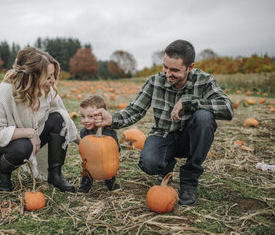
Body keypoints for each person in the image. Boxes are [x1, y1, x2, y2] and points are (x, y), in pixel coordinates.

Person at [94, 40, 233, 205]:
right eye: (165, 67)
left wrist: (188, 101)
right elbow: (135, 110)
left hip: (190, 137)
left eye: (174, 70)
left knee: (204, 117)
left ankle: (189, 181)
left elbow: (227, 108)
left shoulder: (204, 81)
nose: (168, 74)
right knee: (149, 163)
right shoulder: (154, 82)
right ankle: (166, 166)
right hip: (163, 134)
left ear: (190, 67)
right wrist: (112, 118)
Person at [0, 47, 78, 193]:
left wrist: (84, 144)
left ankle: (55, 175)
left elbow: (66, 120)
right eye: (48, 77)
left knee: (59, 117)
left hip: (30, 138)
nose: (53, 80)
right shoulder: (5, 91)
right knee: (22, 146)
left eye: (53, 75)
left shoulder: (48, 90)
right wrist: (29, 133)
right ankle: (3, 172)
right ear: (33, 77)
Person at [77, 95, 121, 193]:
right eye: (83, 117)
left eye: (90, 117)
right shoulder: (84, 132)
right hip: (91, 161)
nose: (86, 120)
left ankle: (110, 181)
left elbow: (116, 150)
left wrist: (115, 166)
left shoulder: (110, 131)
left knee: (109, 170)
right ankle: (86, 182)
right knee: (86, 168)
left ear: (101, 116)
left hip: (107, 161)